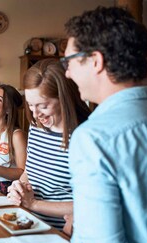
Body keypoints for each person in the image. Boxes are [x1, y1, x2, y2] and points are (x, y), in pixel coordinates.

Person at [64, 6, 147, 243]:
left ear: (95, 61)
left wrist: (79, 227)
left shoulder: (93, 138)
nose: (67, 74)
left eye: (70, 62)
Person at [7, 59, 91, 231]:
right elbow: (30, 172)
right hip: (30, 224)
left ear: (64, 99)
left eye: (43, 106)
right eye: (30, 105)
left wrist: (34, 204)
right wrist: (19, 187)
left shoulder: (84, 136)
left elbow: (91, 204)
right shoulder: (37, 127)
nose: (36, 114)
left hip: (63, 234)